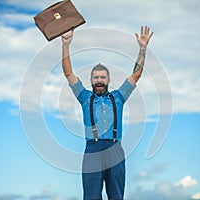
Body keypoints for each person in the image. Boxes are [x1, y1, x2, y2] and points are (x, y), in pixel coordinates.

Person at [61, 26, 153, 200]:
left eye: (103, 77)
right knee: (91, 196)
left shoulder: (119, 97)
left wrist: (142, 49)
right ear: (91, 80)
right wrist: (66, 44)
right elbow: (68, 73)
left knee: (116, 196)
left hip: (115, 149)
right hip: (92, 150)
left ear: (109, 79)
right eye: (96, 77)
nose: (99, 80)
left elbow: (136, 75)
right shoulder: (84, 97)